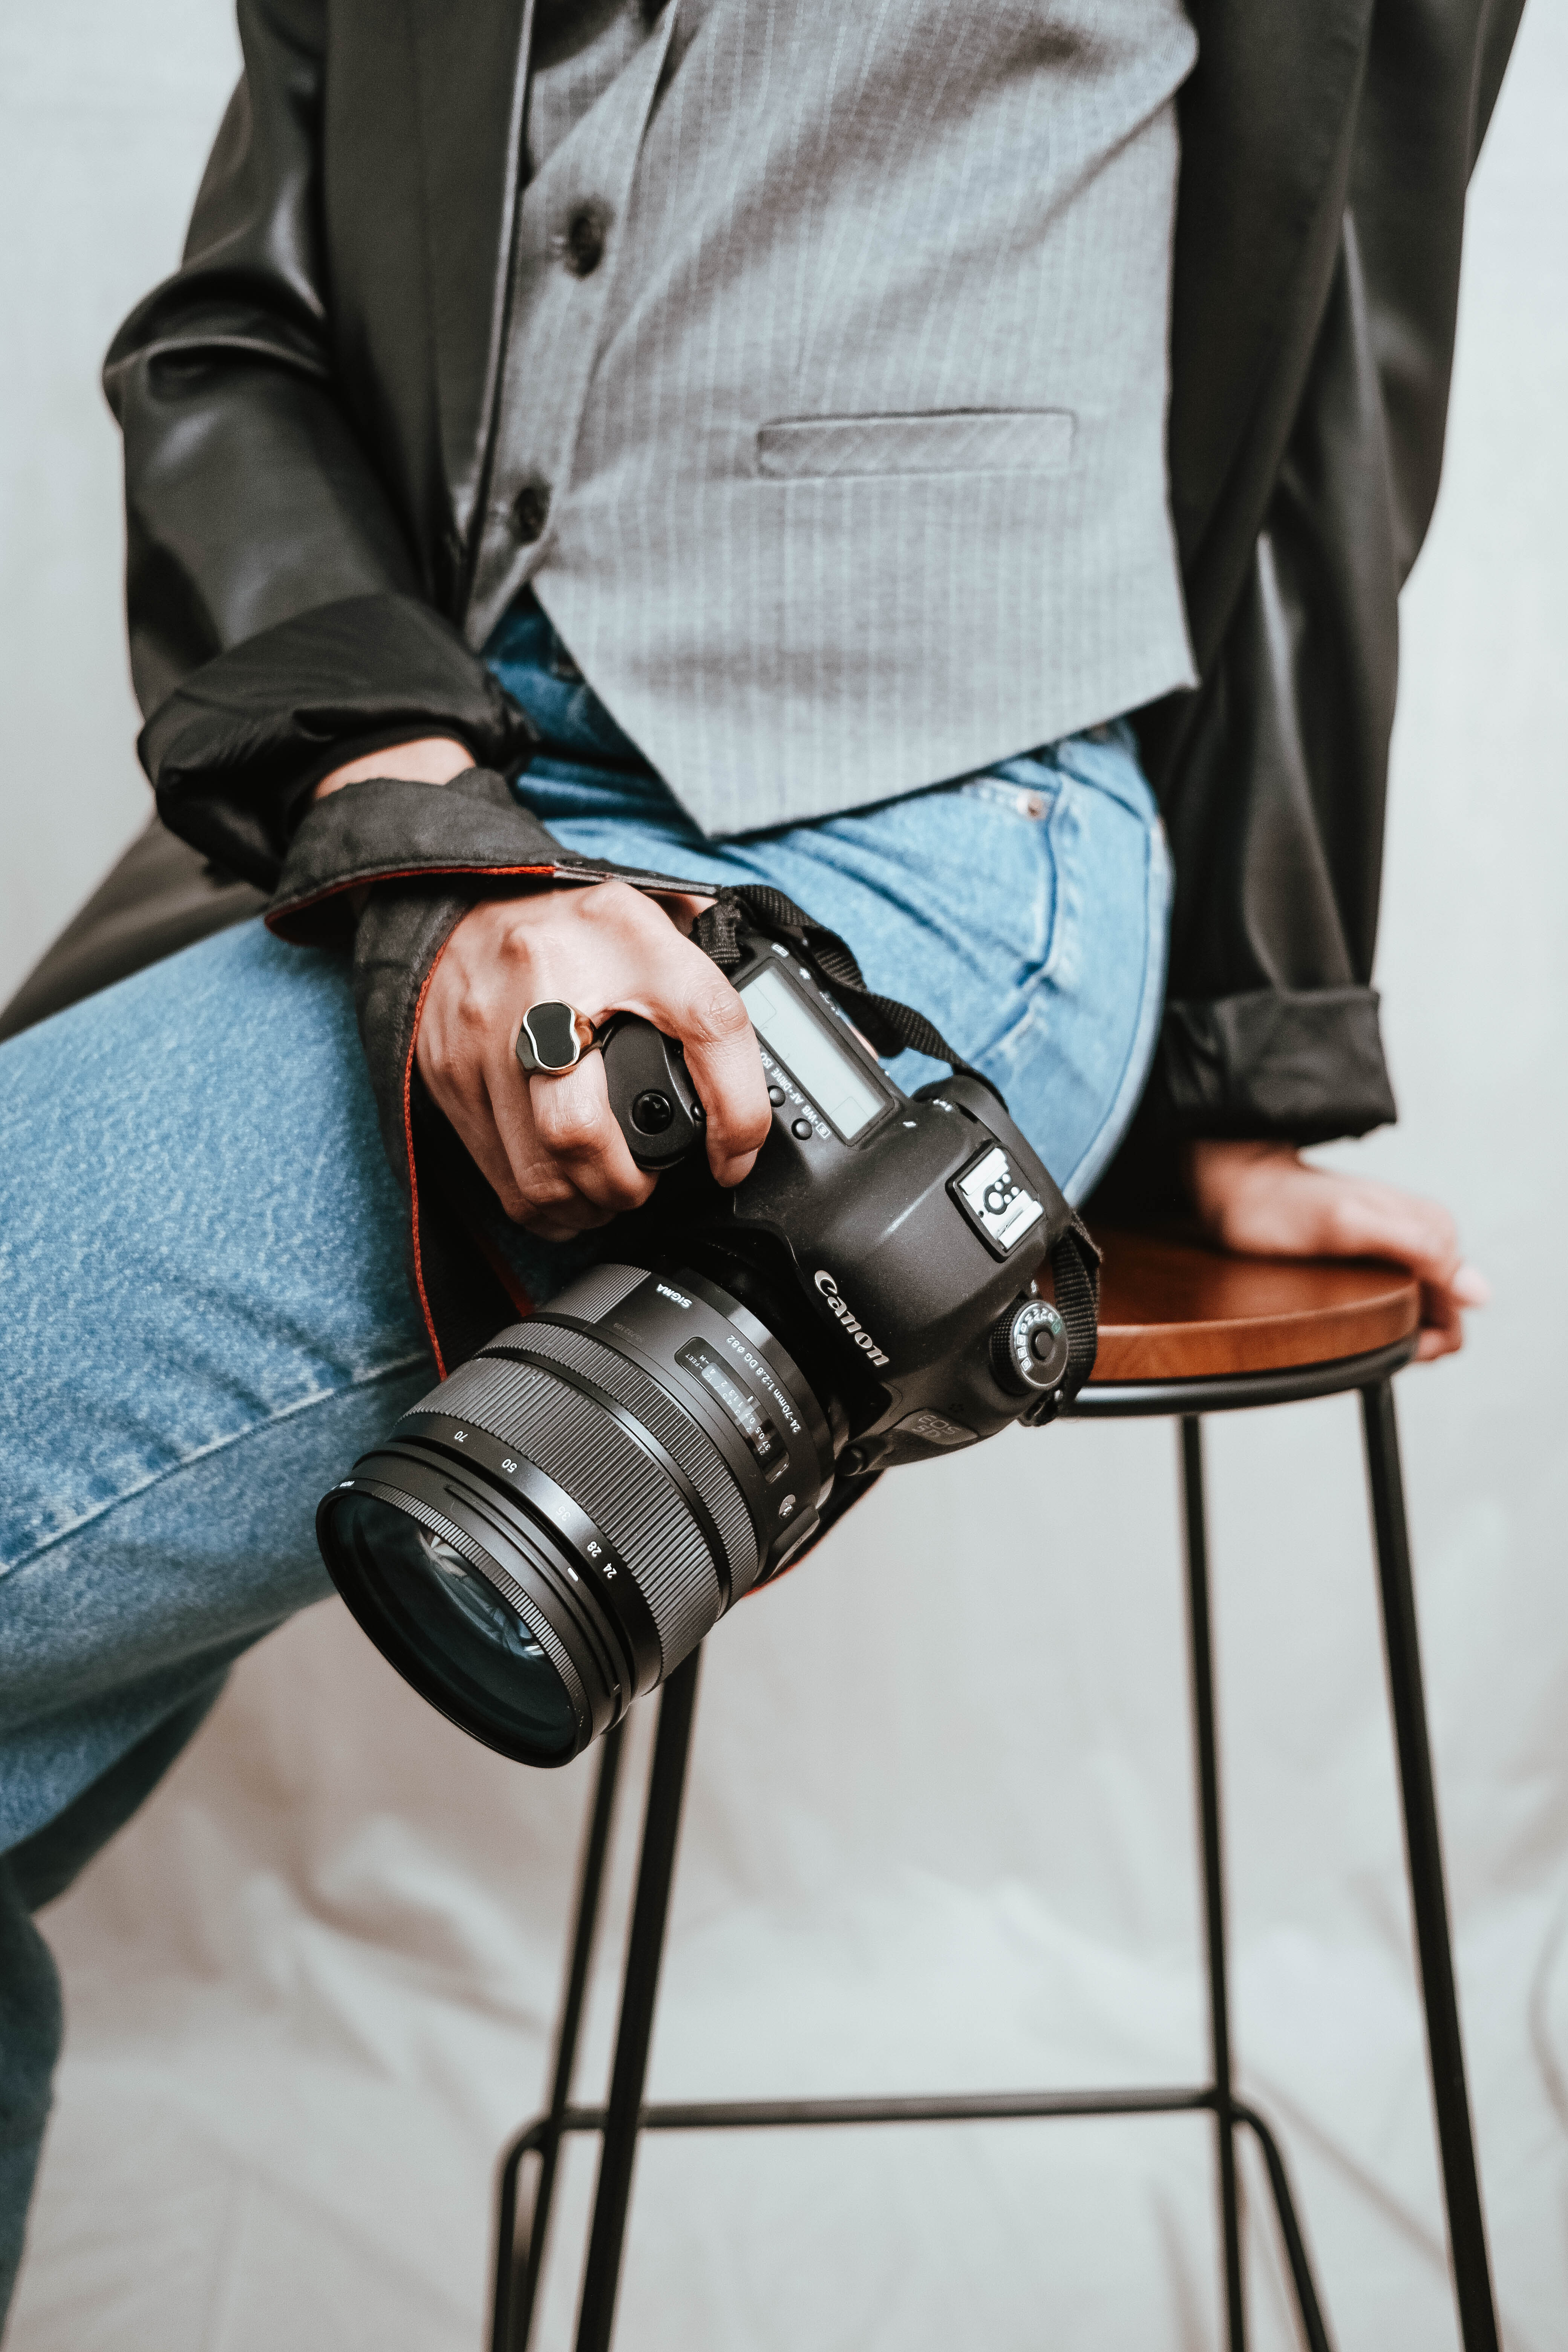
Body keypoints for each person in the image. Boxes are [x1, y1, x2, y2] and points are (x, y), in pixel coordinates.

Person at [0, 0, 1517, 2317]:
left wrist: (1244, 1066)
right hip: (411, 789)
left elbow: (1334, 325)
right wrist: (414, 829)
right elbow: (245, 328)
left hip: (914, 849)